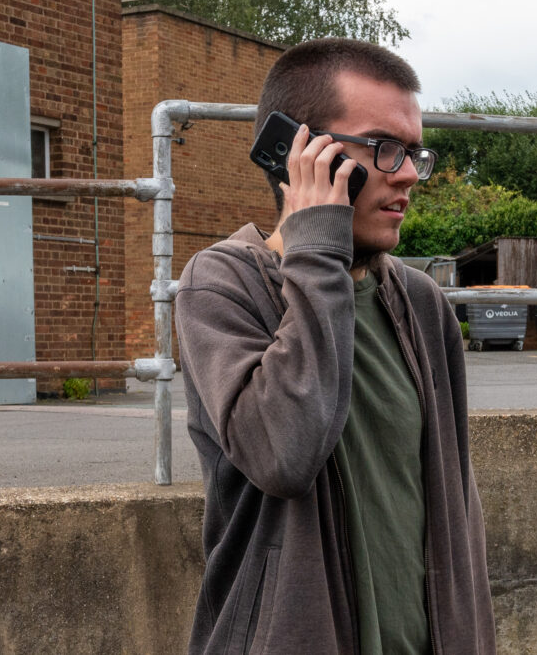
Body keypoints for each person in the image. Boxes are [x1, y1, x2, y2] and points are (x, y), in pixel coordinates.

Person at [175, 37, 496, 654]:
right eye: (384, 148)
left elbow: (459, 513)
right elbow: (282, 454)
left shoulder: (422, 305)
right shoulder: (222, 284)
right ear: (303, 153)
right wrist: (315, 245)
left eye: (413, 153)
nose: (407, 174)